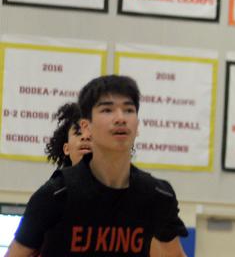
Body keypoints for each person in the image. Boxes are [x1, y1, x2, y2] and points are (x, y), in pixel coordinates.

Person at [6, 75, 188, 257]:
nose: (120, 118)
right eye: (107, 110)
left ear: (137, 126)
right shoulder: (55, 195)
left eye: (128, 110)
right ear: (87, 127)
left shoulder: (157, 196)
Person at [45, 102, 91, 168]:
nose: (85, 137)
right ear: (66, 149)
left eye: (91, 132)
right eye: (78, 133)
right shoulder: (59, 178)